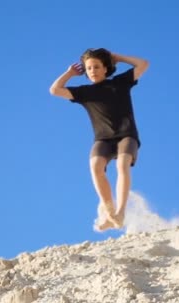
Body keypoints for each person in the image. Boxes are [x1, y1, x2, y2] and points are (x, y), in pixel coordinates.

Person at [49, 48, 149, 231]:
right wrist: (70, 73)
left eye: (96, 66)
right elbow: (55, 90)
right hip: (103, 139)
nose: (92, 70)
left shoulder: (120, 83)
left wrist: (119, 57)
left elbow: (143, 64)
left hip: (127, 135)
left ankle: (120, 212)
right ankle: (109, 212)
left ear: (105, 69)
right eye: (88, 68)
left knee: (122, 165)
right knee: (95, 167)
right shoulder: (85, 92)